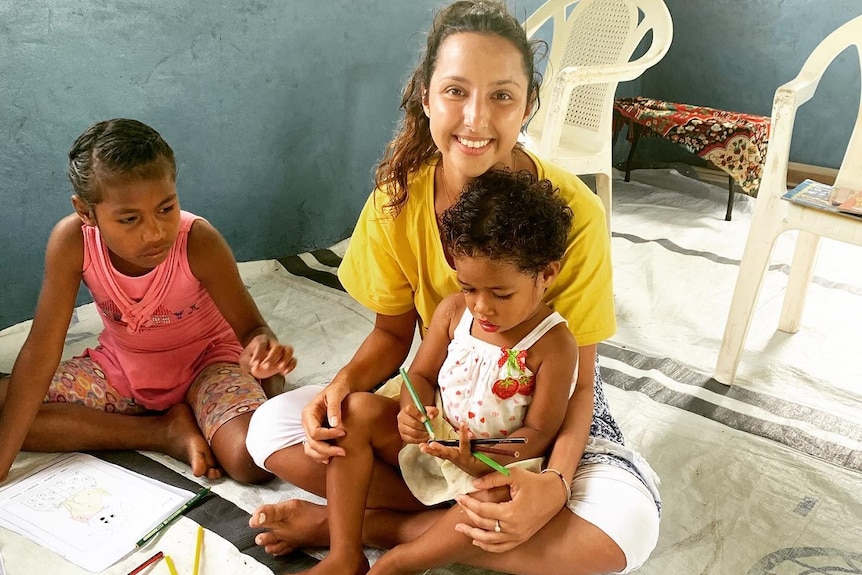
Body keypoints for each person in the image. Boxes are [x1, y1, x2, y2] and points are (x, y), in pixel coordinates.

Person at [246, 1, 661, 574]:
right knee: (271, 430)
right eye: (455, 91)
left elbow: (579, 388)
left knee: (625, 535)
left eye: (501, 95)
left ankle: (377, 527)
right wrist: (341, 388)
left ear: (528, 106)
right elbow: (395, 338)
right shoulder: (397, 200)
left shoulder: (574, 216)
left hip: (540, 421)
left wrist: (555, 484)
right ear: (425, 96)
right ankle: (446, 531)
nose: (475, 119)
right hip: (444, 405)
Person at [295, 169, 579, 575]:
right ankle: (344, 553)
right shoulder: (452, 313)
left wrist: (482, 459)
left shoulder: (553, 344)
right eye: (469, 287)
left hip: (493, 465)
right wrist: (414, 412)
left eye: (501, 293)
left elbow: (538, 434)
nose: (481, 307)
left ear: (546, 274)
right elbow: (420, 377)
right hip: (432, 443)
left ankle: (399, 562)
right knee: (355, 412)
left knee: (504, 499)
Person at [0, 118, 296, 485]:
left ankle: (254, 395)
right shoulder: (72, 242)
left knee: (250, 461)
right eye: (129, 219)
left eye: (166, 208)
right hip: (122, 370)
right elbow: (41, 349)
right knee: (12, 413)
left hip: (209, 365)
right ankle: (163, 432)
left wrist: (263, 352)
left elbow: (252, 329)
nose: (155, 232)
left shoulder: (198, 242)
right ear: (85, 212)